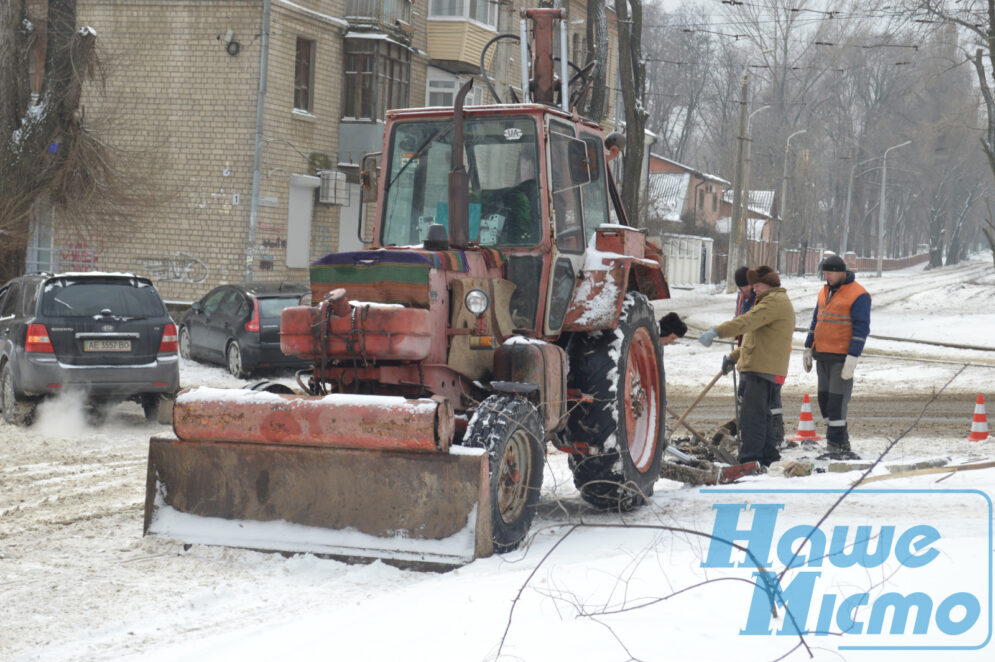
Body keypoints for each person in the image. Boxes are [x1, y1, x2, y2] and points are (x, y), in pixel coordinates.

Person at [698, 266, 795, 467]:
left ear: (768, 284)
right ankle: (769, 457)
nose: (754, 290)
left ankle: (750, 459)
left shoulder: (773, 302)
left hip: (762, 370)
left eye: (757, 286)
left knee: (752, 419)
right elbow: (757, 339)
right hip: (764, 367)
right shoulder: (771, 301)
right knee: (763, 417)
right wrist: (734, 356)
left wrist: (717, 331)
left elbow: (747, 322)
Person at [803, 254, 870, 460]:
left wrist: (853, 356)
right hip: (822, 355)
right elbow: (817, 321)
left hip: (841, 358)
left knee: (836, 403)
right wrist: (808, 347)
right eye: (825, 273)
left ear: (842, 271)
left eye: (831, 272)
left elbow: (861, 328)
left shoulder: (858, 295)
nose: (827, 276)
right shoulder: (823, 293)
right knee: (824, 402)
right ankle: (841, 442)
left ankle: (836, 444)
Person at [734, 265, 784, 448]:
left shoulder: (764, 299)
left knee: (770, 399)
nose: (744, 290)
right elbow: (738, 319)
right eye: (740, 287)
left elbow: (750, 323)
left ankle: (775, 436)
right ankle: (746, 435)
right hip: (745, 353)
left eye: (746, 286)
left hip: (766, 357)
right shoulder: (742, 297)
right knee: (744, 396)